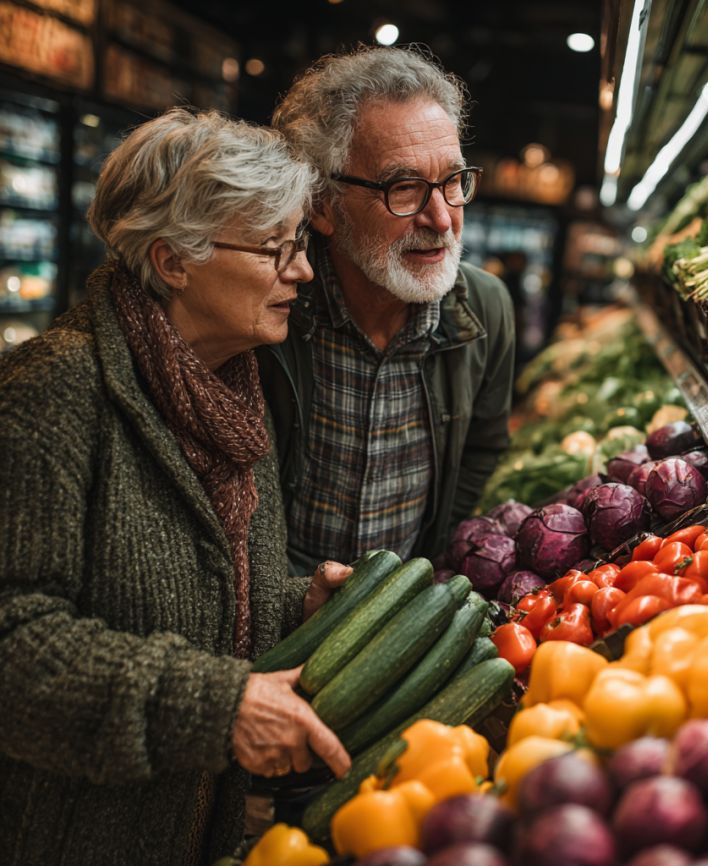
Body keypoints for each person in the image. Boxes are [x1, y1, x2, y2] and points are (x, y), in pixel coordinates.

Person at [0, 108, 353, 866]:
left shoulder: (231, 393)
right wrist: (215, 707)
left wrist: (295, 606)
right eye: (277, 247)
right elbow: (14, 642)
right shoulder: (55, 392)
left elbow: (188, 601)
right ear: (173, 261)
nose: (303, 270)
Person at [262, 46, 516, 574]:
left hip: (400, 617)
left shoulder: (486, 311)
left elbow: (482, 449)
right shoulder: (269, 306)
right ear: (323, 206)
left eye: (453, 182)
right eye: (404, 188)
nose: (442, 219)